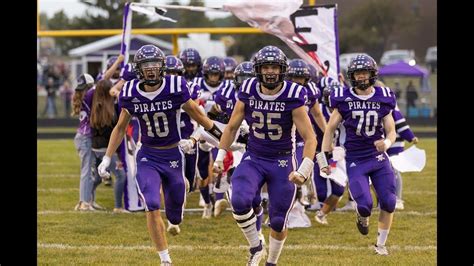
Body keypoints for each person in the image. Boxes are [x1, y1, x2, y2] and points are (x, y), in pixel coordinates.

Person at [97, 44, 222, 265]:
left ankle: (179, 196)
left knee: (175, 216)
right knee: (152, 203)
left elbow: (198, 114)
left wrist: (221, 135)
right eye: (146, 65)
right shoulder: (131, 91)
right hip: (147, 156)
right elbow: (119, 127)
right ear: (139, 69)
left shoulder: (175, 85)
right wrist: (107, 157)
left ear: (162, 66)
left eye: (155, 64)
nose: (151, 69)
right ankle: (165, 259)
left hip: (174, 155)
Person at [214, 45, 317, 265]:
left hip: (282, 160)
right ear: (258, 70)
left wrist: (303, 170)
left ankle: (271, 261)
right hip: (255, 156)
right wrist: (220, 157)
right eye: (266, 67)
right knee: (239, 200)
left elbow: (310, 137)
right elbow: (231, 127)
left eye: (274, 67)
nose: (270, 71)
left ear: (282, 70)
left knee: (278, 221)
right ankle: (255, 246)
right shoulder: (249, 87)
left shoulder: (293, 93)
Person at [319, 54, 397, 255]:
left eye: (365, 73)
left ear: (372, 74)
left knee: (389, 201)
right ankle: (362, 216)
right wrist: (324, 158)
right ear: (352, 76)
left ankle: (380, 245)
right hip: (356, 159)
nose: (362, 77)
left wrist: (387, 143)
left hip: (378, 157)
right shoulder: (343, 98)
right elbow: (329, 129)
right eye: (358, 74)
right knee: (365, 205)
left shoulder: (383, 96)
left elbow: (391, 130)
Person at [89, 79, 129, 213]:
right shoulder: (102, 106)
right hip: (103, 148)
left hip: (98, 147)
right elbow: (107, 129)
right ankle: (118, 207)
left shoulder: (101, 103)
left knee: (100, 177)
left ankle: (87, 200)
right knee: (121, 175)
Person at [71, 73, 97, 211]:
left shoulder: (84, 96)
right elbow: (98, 87)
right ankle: (83, 203)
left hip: (84, 137)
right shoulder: (88, 96)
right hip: (85, 138)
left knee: (90, 171)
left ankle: (88, 201)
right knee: (87, 171)